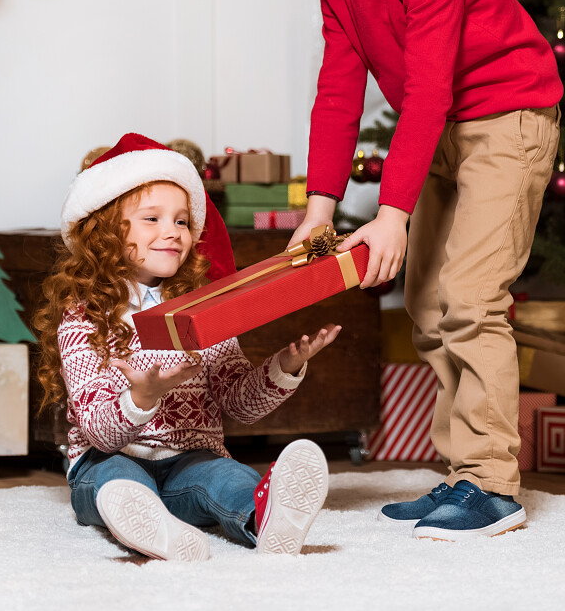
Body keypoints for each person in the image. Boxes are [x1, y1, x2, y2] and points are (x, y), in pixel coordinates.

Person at [229, 0, 563, 541]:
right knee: (428, 307)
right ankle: (461, 473)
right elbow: (338, 89)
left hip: (506, 122)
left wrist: (391, 215)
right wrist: (320, 209)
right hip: (442, 131)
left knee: (471, 299)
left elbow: (428, 91)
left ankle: (493, 486)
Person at [32, 133, 340, 560]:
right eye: (152, 219)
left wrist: (284, 367)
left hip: (189, 459)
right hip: (108, 458)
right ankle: (152, 527)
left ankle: (264, 518)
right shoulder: (84, 317)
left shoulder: (204, 308)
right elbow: (99, 433)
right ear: (105, 232)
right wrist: (142, 397)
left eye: (181, 222)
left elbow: (238, 403)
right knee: (116, 479)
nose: (172, 232)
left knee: (227, 477)